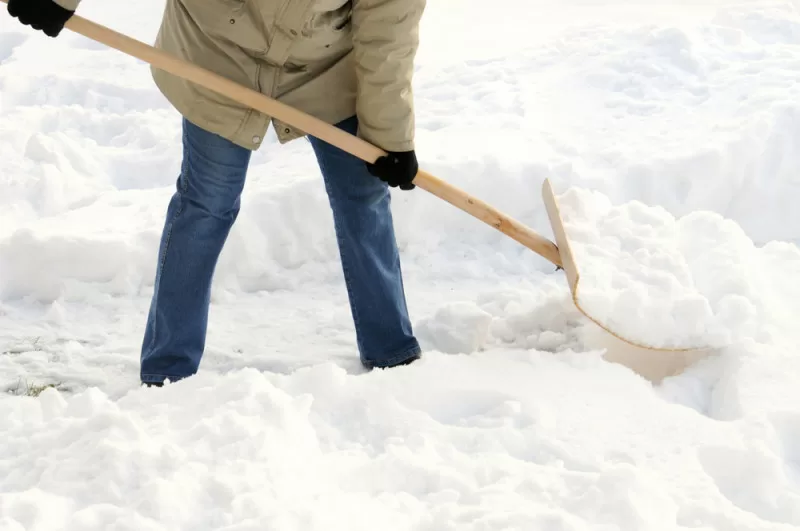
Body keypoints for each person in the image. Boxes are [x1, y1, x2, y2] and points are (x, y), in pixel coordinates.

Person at [8, 0, 426, 385]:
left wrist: (390, 136)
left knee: (364, 196)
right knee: (206, 202)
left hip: (325, 65)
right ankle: (168, 369)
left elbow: (388, 27)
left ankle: (391, 351)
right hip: (217, 52)